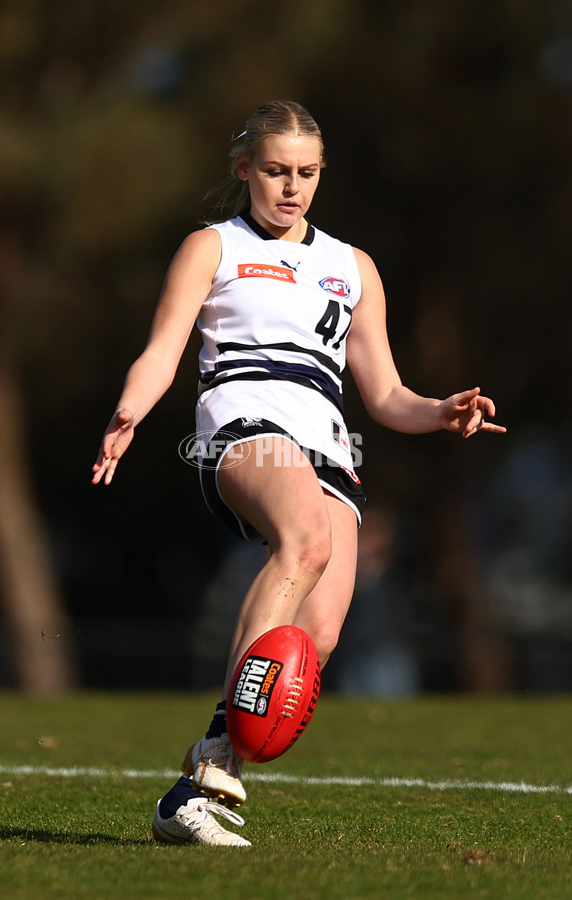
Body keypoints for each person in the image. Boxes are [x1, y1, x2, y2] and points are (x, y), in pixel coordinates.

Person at [92, 100, 506, 847]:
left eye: (307, 173)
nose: (292, 188)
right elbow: (162, 351)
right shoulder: (211, 247)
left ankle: (188, 794)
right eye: (276, 171)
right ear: (244, 168)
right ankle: (224, 751)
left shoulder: (354, 267)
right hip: (244, 424)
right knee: (305, 540)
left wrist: (440, 408)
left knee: (315, 635)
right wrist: (130, 411)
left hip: (331, 445)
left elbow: (384, 394)